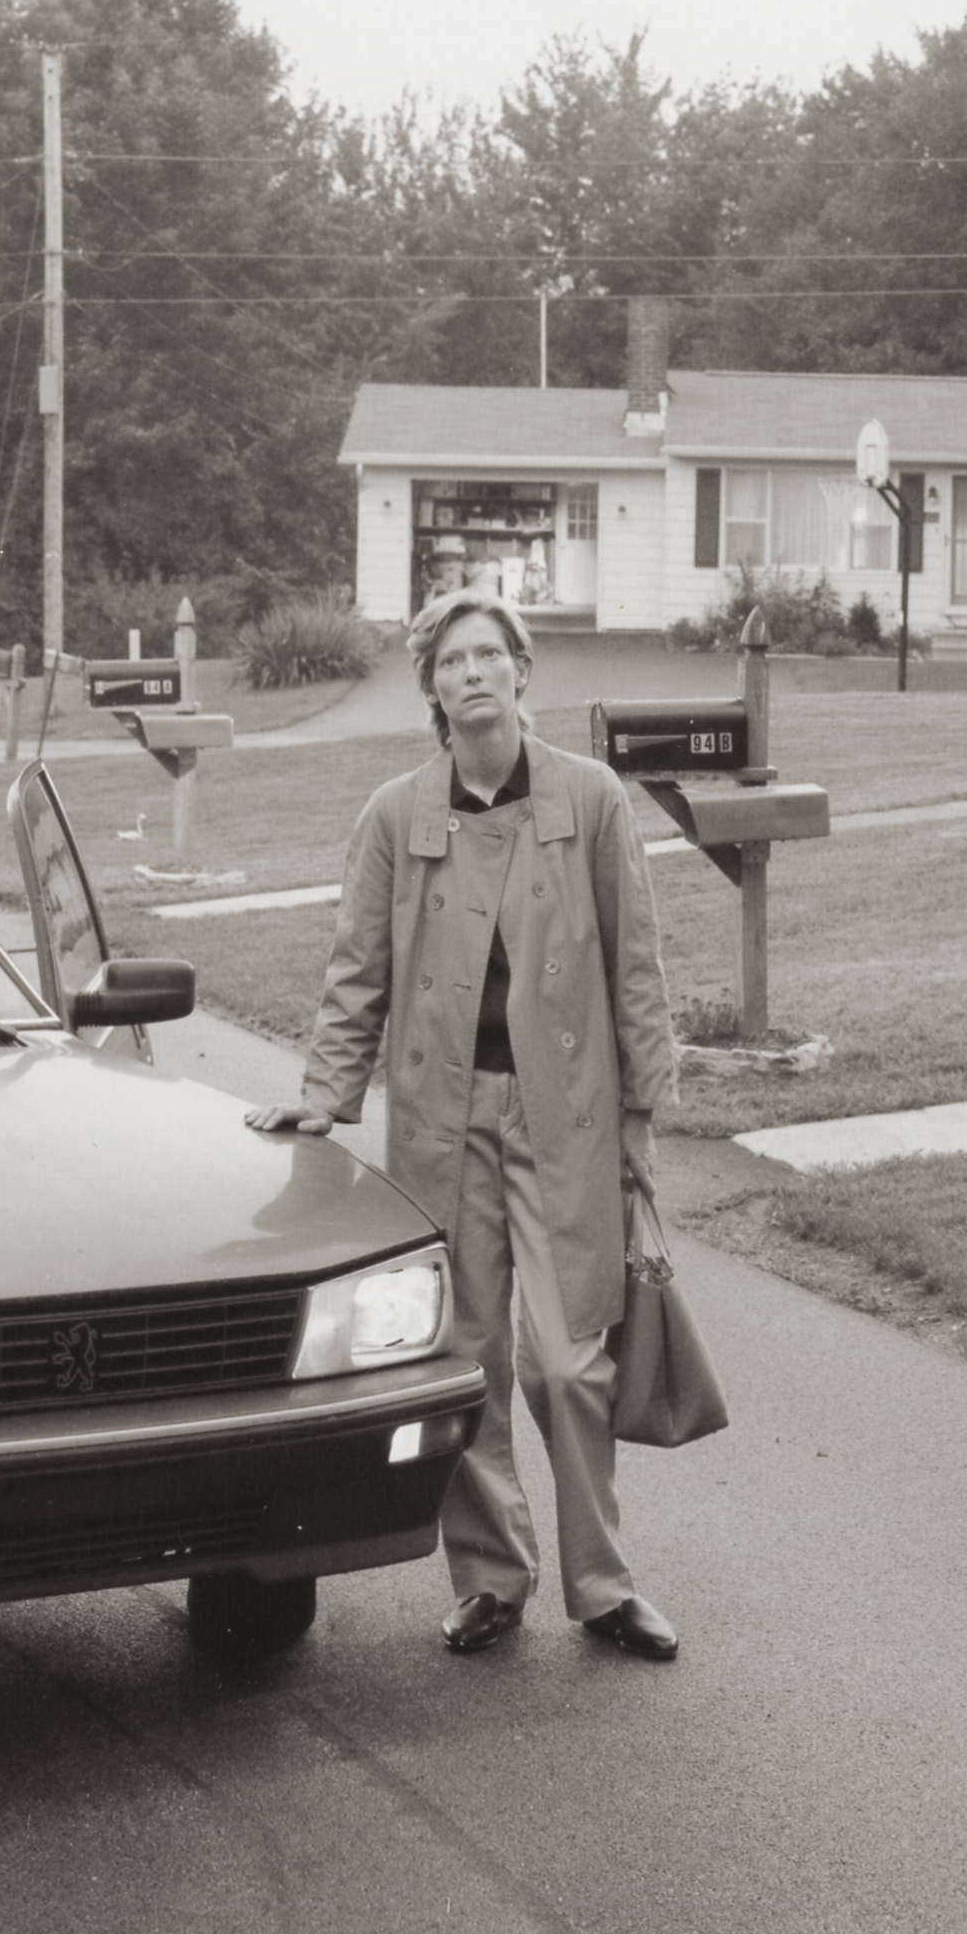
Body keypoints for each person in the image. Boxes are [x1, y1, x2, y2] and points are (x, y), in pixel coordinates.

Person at [246, 588, 683, 1661]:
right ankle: (491, 1577)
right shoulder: (397, 814)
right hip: (444, 1115)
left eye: (491, 655)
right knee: (468, 1354)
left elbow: (636, 965)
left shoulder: (590, 799)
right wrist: (323, 1093)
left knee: (569, 1359)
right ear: (432, 686)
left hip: (564, 1115)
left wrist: (640, 1113)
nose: (474, 674)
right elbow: (356, 970)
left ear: (522, 673)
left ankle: (603, 1584)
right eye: (453, 661)